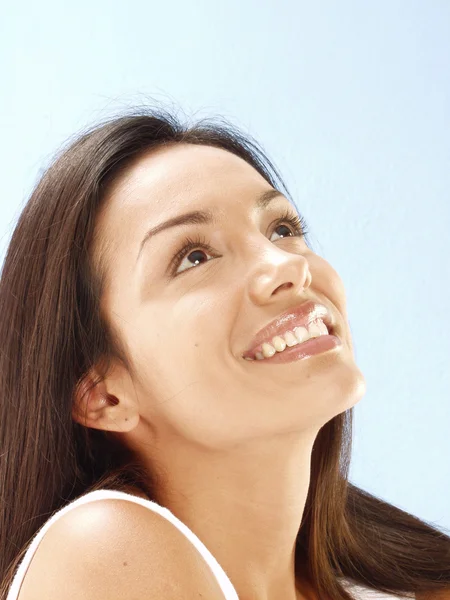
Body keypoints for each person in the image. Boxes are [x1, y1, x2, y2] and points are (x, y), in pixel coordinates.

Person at [0, 107, 448, 600]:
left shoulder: (412, 580)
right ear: (104, 396)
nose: (286, 267)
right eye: (194, 257)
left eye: (281, 229)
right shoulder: (103, 547)